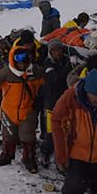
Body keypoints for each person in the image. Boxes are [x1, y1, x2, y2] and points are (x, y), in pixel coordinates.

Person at [0, 46, 44, 173]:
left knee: (28, 136)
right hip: (8, 111)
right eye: (18, 61)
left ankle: (29, 157)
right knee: (8, 135)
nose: (21, 64)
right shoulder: (6, 73)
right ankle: (7, 155)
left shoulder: (35, 72)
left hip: (27, 110)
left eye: (24, 61)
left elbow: (44, 85)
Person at [41, 39, 71, 167]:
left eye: (58, 49)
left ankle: (64, 154)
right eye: (54, 50)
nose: (57, 52)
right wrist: (69, 66)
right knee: (50, 130)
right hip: (51, 102)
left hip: (65, 101)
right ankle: (46, 152)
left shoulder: (65, 60)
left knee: (65, 129)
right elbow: (56, 80)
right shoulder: (47, 65)